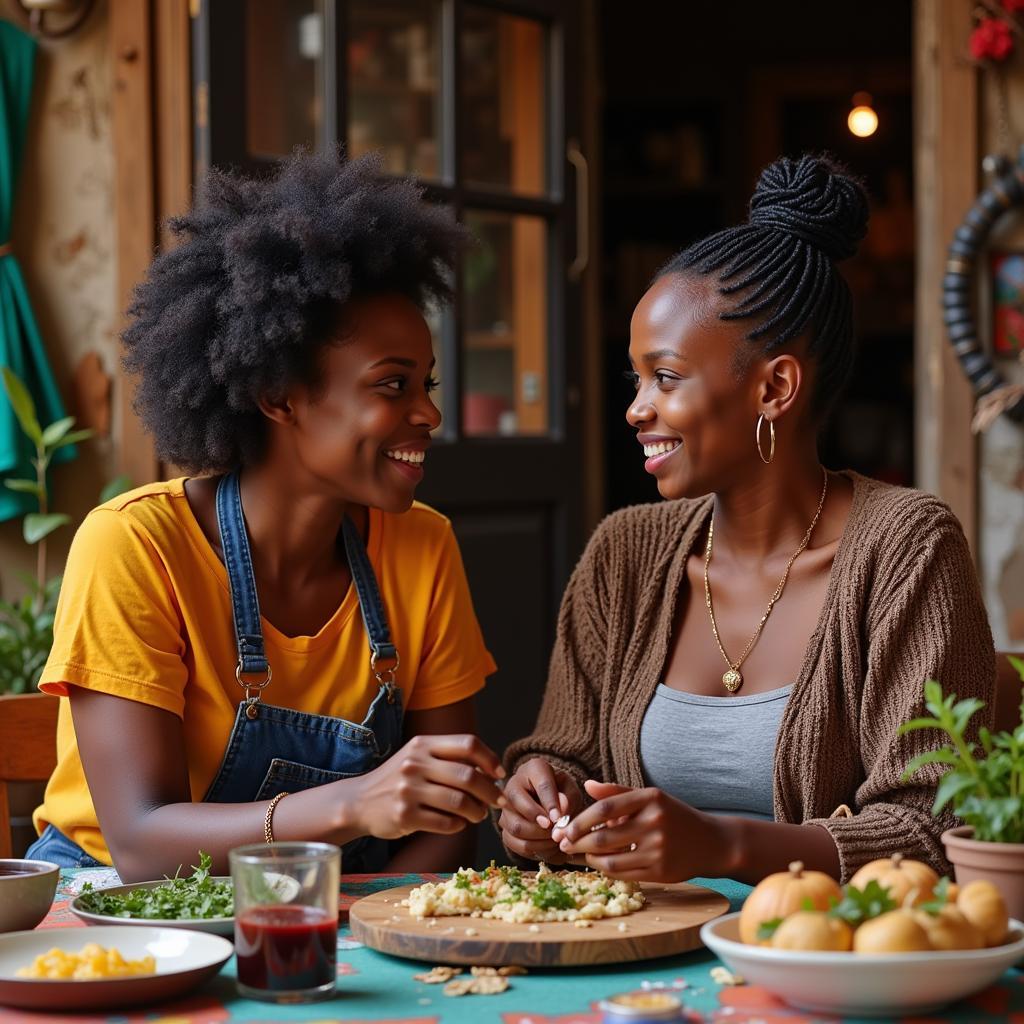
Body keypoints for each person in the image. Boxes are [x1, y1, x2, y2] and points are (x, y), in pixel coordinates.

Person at [497, 154, 996, 885]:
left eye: (664, 377)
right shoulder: (623, 554)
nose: (636, 408)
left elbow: (935, 827)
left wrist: (724, 848)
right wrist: (542, 793)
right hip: (635, 967)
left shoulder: (906, 549)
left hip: (824, 968)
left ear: (775, 387)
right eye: (634, 379)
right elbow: (568, 752)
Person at [28, 152, 506, 880]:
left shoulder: (422, 546)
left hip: (349, 906)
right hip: (122, 908)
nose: (429, 412)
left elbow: (448, 819)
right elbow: (143, 843)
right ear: (280, 397)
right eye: (393, 385)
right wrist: (351, 805)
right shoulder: (136, 545)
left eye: (427, 383)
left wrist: (368, 918)